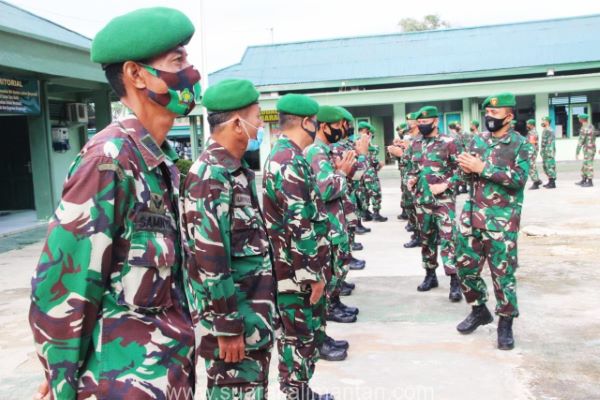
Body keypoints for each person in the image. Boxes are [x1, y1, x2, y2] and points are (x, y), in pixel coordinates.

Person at [29, 7, 199, 398]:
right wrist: (62, 378)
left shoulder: (157, 160)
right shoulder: (109, 160)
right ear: (136, 74)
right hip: (120, 384)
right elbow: (62, 283)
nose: (190, 72)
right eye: (178, 60)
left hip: (166, 375)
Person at [181, 79, 277, 399]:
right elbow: (210, 259)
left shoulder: (235, 172)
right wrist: (227, 326)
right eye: (257, 116)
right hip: (234, 332)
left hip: (251, 323)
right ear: (238, 123)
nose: (260, 124)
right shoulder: (210, 175)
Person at [263, 94, 335, 400]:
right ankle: (297, 394)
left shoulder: (285, 156)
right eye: (315, 122)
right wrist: (313, 275)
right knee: (300, 337)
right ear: (307, 121)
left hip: (293, 269)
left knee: (300, 336)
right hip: (296, 274)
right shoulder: (289, 161)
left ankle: (301, 391)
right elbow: (300, 224)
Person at [455, 92, 532, 350]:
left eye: (495, 114)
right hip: (472, 216)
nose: (490, 117)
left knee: (503, 275)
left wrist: (481, 168)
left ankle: (505, 322)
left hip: (501, 221)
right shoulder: (477, 141)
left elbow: (519, 179)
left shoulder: (522, 144)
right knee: (464, 267)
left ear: (509, 117)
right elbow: (467, 177)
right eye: (487, 113)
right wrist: (466, 170)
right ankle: (479, 309)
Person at [306, 104, 360, 329]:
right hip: (328, 223)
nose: (341, 130)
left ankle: (334, 302)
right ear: (324, 126)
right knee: (331, 270)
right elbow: (325, 190)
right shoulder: (316, 152)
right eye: (337, 126)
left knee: (338, 267)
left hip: (337, 221)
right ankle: (329, 307)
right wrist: (341, 173)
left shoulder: (327, 151)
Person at [407, 106, 462, 302]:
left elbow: (462, 170)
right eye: (419, 123)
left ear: (436, 122)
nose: (421, 126)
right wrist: (411, 179)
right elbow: (413, 168)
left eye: (425, 122)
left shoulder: (450, 142)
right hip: (422, 200)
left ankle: (455, 281)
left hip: (443, 201)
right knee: (426, 239)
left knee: (449, 239)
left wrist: (446, 184)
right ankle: (430, 275)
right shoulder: (415, 143)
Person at [575, 113, 596, 187]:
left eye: (579, 118)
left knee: (589, 164)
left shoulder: (584, 128)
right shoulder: (591, 126)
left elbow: (581, 141)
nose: (578, 119)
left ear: (581, 119)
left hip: (588, 149)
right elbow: (594, 137)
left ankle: (590, 182)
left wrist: (577, 152)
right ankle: (584, 179)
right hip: (592, 148)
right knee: (585, 164)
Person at [540, 116, 557, 188]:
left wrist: (542, 150)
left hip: (547, 151)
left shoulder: (547, 130)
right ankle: (550, 181)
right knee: (549, 166)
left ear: (547, 121)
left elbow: (544, 142)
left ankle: (552, 183)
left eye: (543, 121)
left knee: (548, 166)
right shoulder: (551, 130)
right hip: (550, 150)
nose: (542, 122)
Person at [526, 119, 543, 190]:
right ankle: (537, 180)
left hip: (532, 151)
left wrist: (530, 153)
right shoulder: (532, 132)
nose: (527, 125)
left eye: (528, 124)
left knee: (531, 167)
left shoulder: (532, 133)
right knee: (532, 166)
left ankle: (536, 182)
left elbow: (532, 143)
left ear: (531, 124)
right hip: (533, 151)